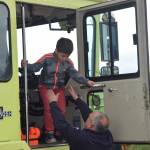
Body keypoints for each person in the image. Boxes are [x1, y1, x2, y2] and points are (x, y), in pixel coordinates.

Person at [21, 37, 95, 143]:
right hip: (46, 87)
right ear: (56, 50)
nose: (64, 58)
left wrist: (86, 81)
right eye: (62, 55)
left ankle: (60, 132)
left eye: (67, 56)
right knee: (49, 109)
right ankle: (49, 133)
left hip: (59, 88)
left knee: (62, 109)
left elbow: (75, 74)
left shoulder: (68, 63)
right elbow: (35, 67)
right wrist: (26, 65)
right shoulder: (47, 58)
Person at [47, 85, 113, 150]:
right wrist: (76, 98)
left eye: (89, 118)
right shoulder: (108, 137)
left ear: (91, 125)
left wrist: (53, 103)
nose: (87, 116)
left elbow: (61, 125)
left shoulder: (83, 138)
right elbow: (88, 113)